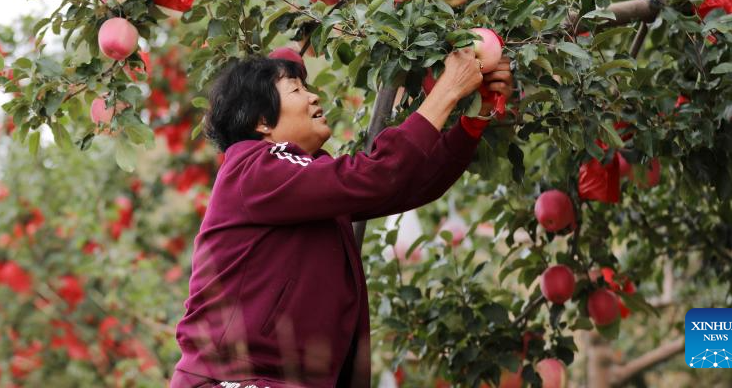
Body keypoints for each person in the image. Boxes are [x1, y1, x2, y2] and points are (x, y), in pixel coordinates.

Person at [169, 47, 515, 388]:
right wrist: (448, 90)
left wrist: (476, 116)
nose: (314, 97)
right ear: (261, 121)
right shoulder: (253, 168)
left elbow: (410, 183)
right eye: (296, 89)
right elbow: (376, 175)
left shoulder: (301, 185)